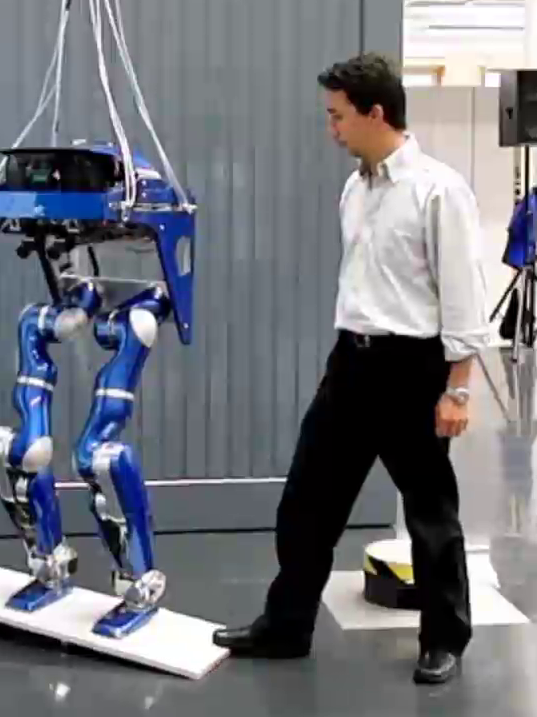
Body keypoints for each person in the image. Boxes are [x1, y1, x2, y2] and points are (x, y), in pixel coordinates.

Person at [212, 53, 489, 685]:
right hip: (351, 364)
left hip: (413, 369)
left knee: (429, 514)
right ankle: (287, 626)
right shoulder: (354, 189)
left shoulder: (438, 190)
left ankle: (444, 639)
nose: (331, 128)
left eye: (338, 116)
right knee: (307, 502)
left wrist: (458, 390)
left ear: (376, 113)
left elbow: (463, 296)